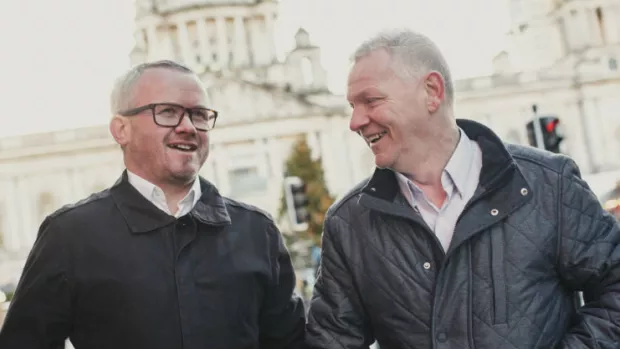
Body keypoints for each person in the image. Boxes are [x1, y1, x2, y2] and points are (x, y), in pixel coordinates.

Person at [305, 29, 620, 349]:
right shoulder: (348, 223)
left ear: (431, 91)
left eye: (370, 101)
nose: (355, 121)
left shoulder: (550, 183)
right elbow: (331, 340)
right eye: (352, 106)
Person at [0, 60, 306, 349]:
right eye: (168, 112)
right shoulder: (70, 235)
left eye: (199, 114)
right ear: (121, 129)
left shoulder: (256, 230)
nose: (188, 126)